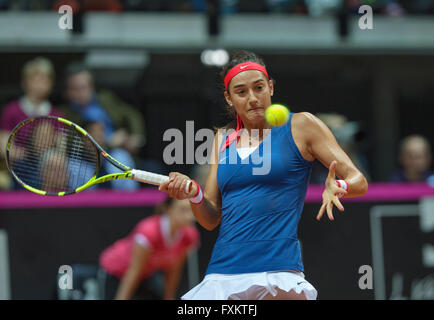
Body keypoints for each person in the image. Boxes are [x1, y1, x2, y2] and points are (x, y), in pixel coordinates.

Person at [158, 50, 368, 300]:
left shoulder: (301, 126)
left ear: (271, 87)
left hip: (278, 272)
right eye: (241, 92)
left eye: (259, 88)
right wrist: (194, 195)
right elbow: (210, 218)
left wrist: (340, 185)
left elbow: (359, 180)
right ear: (229, 98)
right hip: (222, 273)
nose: (253, 98)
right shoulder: (221, 140)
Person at [99, 198, 200, 300]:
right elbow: (134, 271)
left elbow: (174, 271)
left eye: (191, 210)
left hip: (144, 276)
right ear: (168, 209)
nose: (190, 216)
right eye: (183, 210)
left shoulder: (190, 235)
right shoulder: (149, 232)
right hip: (117, 272)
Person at [0, 56, 63, 190]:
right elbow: (4, 147)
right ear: (24, 83)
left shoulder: (57, 114)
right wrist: (28, 154)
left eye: (44, 79)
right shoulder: (11, 110)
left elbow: (61, 149)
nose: (39, 84)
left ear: (51, 84)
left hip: (47, 168)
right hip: (18, 167)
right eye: (34, 79)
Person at [58, 62, 146, 158]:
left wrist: (135, 136)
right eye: (76, 89)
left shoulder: (106, 99)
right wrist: (108, 142)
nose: (81, 93)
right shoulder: (64, 113)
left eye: (84, 87)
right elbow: (70, 144)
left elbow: (131, 114)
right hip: (87, 159)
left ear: (92, 87)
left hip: (119, 151)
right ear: (67, 91)